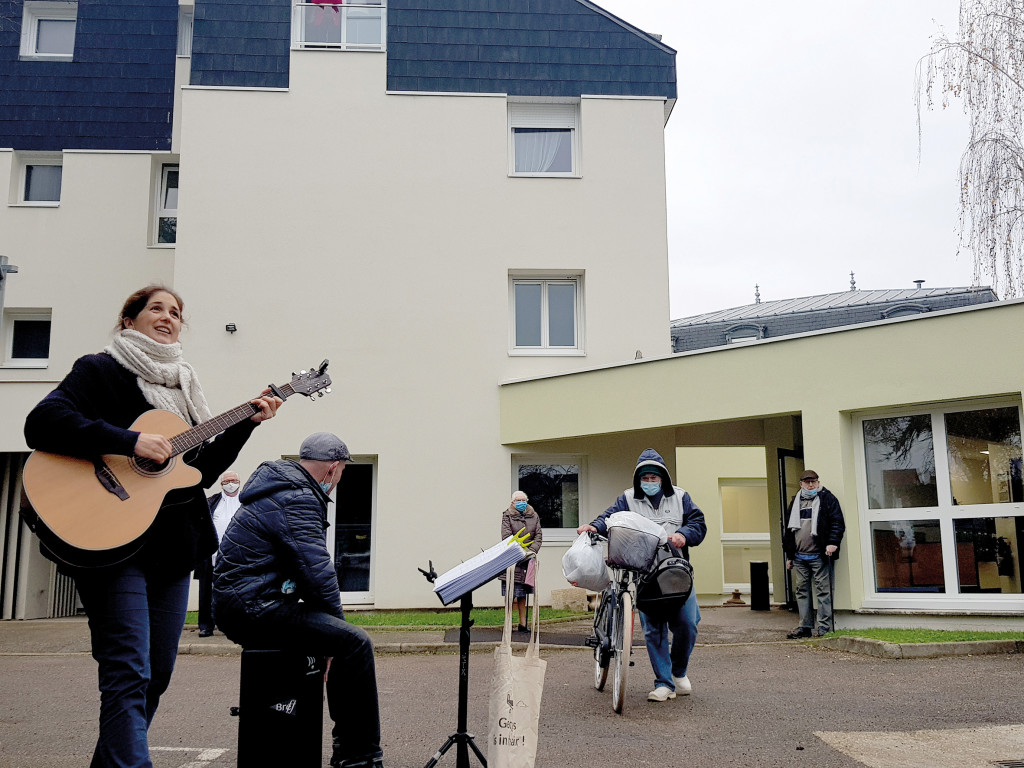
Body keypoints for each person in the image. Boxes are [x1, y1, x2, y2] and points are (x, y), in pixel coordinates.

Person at [23, 285, 281, 768]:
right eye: (156, 309)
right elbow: (42, 423)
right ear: (129, 321)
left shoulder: (183, 390)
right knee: (128, 671)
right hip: (111, 545)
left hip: (173, 549)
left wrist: (248, 423)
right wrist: (129, 441)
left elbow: (197, 472)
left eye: (176, 312)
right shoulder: (100, 369)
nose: (168, 317)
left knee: (156, 674)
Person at [213, 432, 384, 768]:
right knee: (354, 643)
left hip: (246, 603)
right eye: (342, 472)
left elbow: (301, 569)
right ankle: (360, 758)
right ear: (333, 468)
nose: (339, 479)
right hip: (255, 607)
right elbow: (317, 571)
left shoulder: (282, 489)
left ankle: (351, 752)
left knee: (343, 640)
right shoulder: (298, 497)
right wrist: (335, 634)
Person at [578, 448, 706, 703]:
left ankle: (679, 672)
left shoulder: (680, 497)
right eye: (644, 478)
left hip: (676, 571)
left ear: (662, 478)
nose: (649, 482)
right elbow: (609, 518)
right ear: (638, 479)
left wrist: (684, 535)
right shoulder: (628, 498)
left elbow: (698, 524)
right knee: (654, 629)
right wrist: (594, 526)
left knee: (687, 624)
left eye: (653, 477)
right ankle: (664, 683)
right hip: (645, 573)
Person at [783, 469, 846, 639]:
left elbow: (837, 523)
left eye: (814, 482)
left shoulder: (827, 499)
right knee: (801, 591)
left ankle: (825, 628)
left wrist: (833, 543)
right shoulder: (795, 501)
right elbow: (788, 531)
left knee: (824, 591)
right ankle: (805, 627)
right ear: (801, 484)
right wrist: (790, 556)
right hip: (799, 556)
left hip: (820, 555)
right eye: (807, 482)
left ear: (818, 483)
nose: (811, 485)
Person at [194, 470, 243, 637]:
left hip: (239, 556)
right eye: (227, 481)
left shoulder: (246, 501)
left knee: (237, 591)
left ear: (239, 482)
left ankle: (236, 625)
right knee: (206, 592)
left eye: (233, 480)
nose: (230, 484)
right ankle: (206, 626)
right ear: (221, 484)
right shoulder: (212, 501)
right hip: (212, 556)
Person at [498, 490, 542, 632]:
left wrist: (531, 551)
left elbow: (538, 536)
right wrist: (519, 551)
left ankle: (523, 624)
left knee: (523, 594)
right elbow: (506, 536)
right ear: (513, 502)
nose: (521, 503)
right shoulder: (507, 515)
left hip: (528, 559)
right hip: (511, 559)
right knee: (510, 594)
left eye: (524, 500)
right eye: (518, 500)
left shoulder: (534, 515)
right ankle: (508, 623)